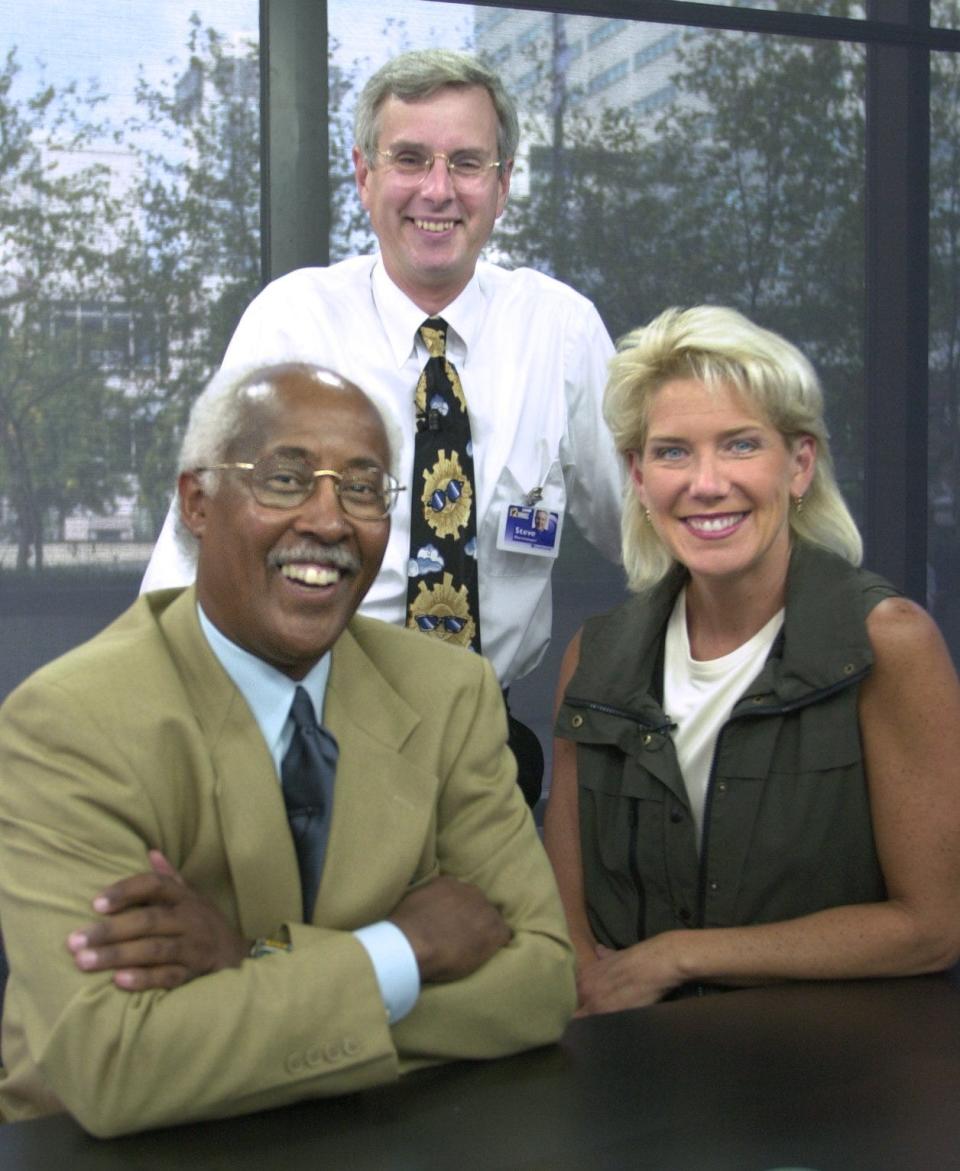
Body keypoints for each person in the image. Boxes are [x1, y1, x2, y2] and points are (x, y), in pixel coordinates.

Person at [0, 362, 576, 1136]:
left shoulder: (450, 693)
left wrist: (245, 961)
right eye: (285, 479)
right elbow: (117, 1061)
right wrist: (398, 953)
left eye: (364, 488)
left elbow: (540, 981)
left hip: (377, 1136)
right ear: (198, 502)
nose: (331, 520)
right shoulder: (67, 721)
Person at [140, 49, 622, 807]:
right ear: (364, 177)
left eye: (467, 162)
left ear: (502, 184)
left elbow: (652, 526)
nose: (438, 189)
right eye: (409, 159)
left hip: (476, 746)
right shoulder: (292, 318)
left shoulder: (559, 329)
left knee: (478, 926)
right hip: (302, 734)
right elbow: (192, 551)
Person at [543, 305, 960, 1014]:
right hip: (632, 1075)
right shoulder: (597, 656)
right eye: (674, 452)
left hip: (836, 1077)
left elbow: (931, 927)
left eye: (739, 445)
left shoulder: (888, 642)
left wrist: (678, 955)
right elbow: (566, 912)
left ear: (799, 465)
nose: (706, 483)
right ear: (638, 477)